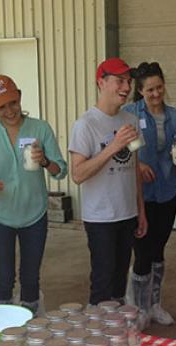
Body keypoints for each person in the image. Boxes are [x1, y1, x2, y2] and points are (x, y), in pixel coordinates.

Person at [0, 74, 67, 314]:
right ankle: (4, 329)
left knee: (31, 276)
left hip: (34, 213)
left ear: (19, 97)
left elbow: (60, 171)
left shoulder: (40, 128)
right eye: (1, 107)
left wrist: (45, 161)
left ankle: (32, 328)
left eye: (13, 103)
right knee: (4, 277)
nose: (10, 110)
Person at [123, 62, 176, 326]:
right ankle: (138, 308)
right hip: (139, 195)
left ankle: (155, 305)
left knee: (158, 250)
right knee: (143, 252)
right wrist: (138, 164)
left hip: (167, 193)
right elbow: (118, 150)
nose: (156, 94)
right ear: (140, 91)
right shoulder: (129, 113)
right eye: (149, 90)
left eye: (159, 88)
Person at [69, 58, 148, 312]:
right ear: (101, 82)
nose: (126, 87)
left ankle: (115, 336)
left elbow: (134, 167)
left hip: (127, 213)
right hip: (101, 216)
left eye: (128, 81)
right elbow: (78, 174)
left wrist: (141, 212)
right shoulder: (86, 125)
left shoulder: (131, 120)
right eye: (119, 81)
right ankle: (97, 338)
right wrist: (113, 147)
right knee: (102, 283)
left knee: (118, 283)